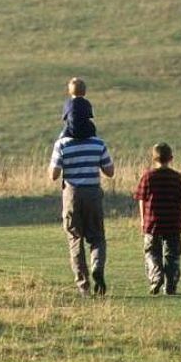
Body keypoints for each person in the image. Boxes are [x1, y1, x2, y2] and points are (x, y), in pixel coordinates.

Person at [49, 124, 114, 296]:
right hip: (93, 193)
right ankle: (97, 266)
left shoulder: (62, 144)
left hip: (72, 195)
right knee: (97, 237)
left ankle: (83, 286)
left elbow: (53, 175)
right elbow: (110, 171)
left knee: (75, 238)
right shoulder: (98, 144)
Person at [132, 143, 181, 295]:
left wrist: (142, 219)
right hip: (172, 221)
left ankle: (156, 276)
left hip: (152, 221)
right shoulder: (177, 177)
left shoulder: (147, 177)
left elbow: (141, 199)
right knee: (172, 254)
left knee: (151, 252)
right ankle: (170, 283)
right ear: (171, 158)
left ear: (153, 158)